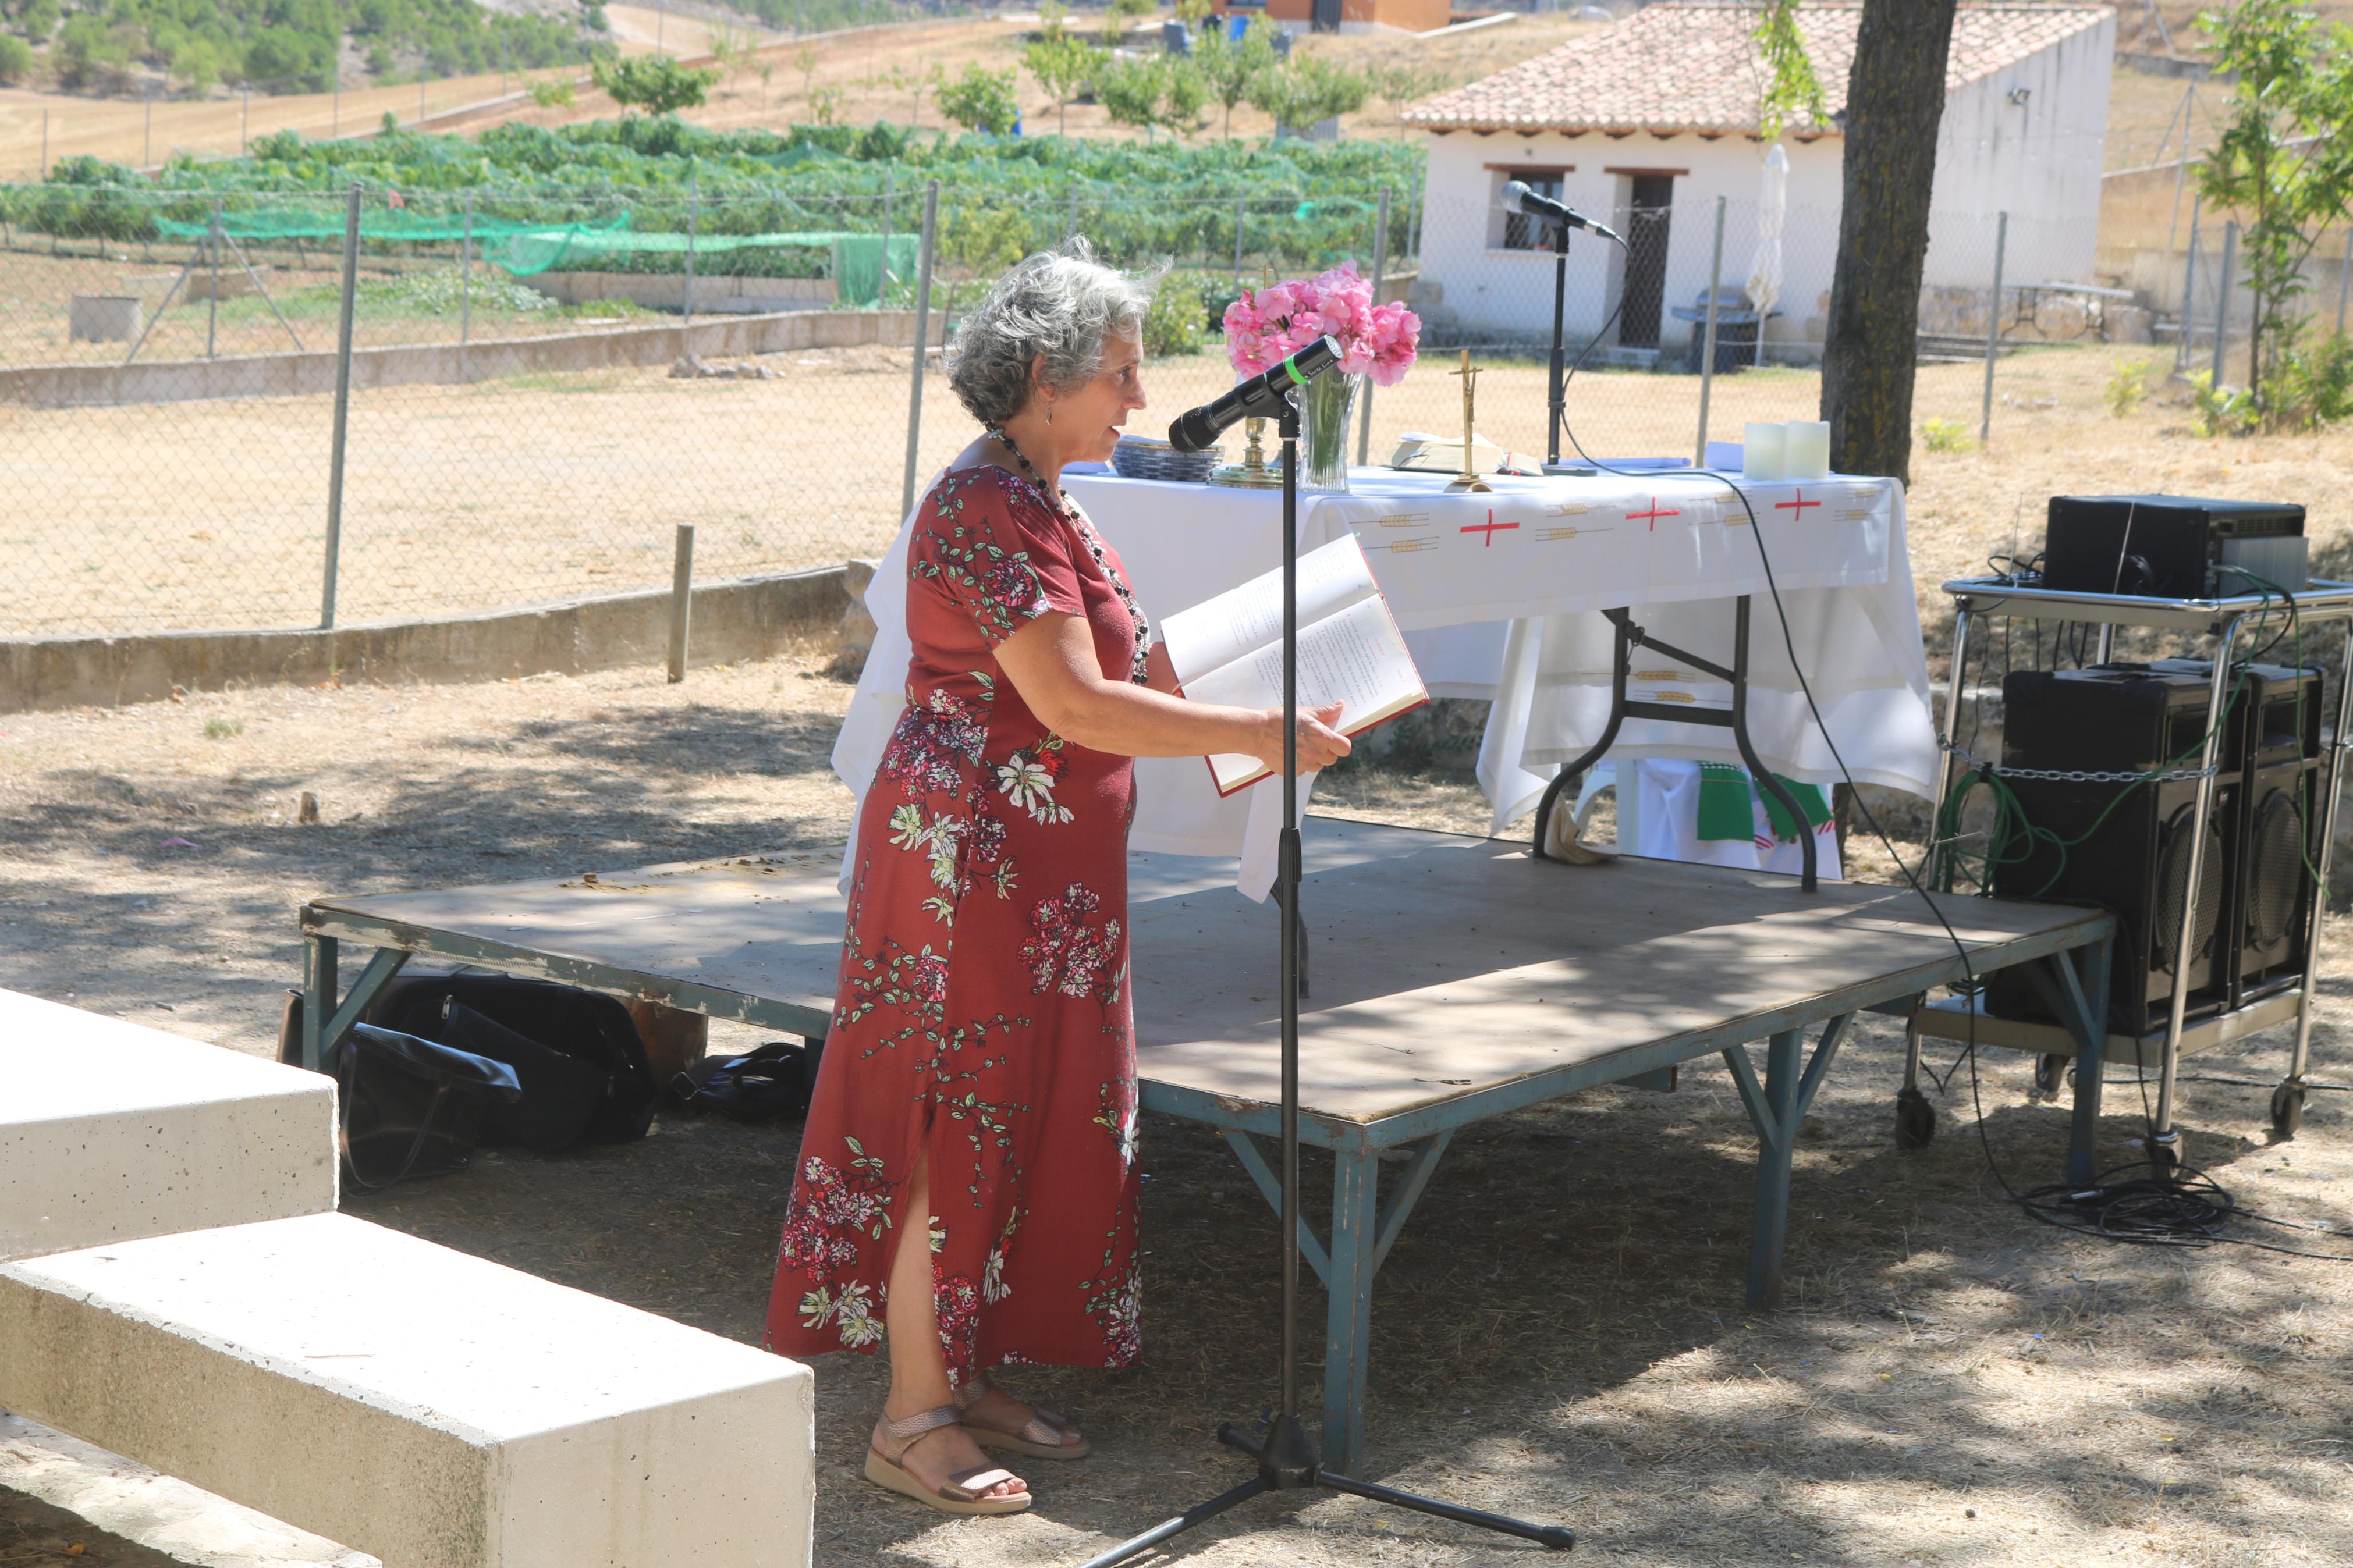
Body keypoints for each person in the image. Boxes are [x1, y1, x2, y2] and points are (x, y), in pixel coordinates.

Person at [763, 242, 1351, 1517]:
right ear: (1043, 376)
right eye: (1122, 376)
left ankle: (960, 1371)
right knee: (954, 1117)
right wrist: (1258, 737)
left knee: (1021, 1114)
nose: (1140, 402)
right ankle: (909, 1417)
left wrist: (1276, 676)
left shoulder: (1044, 492)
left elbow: (1110, 670)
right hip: (971, 869)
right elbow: (1073, 703)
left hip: (1041, 879)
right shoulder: (984, 508)